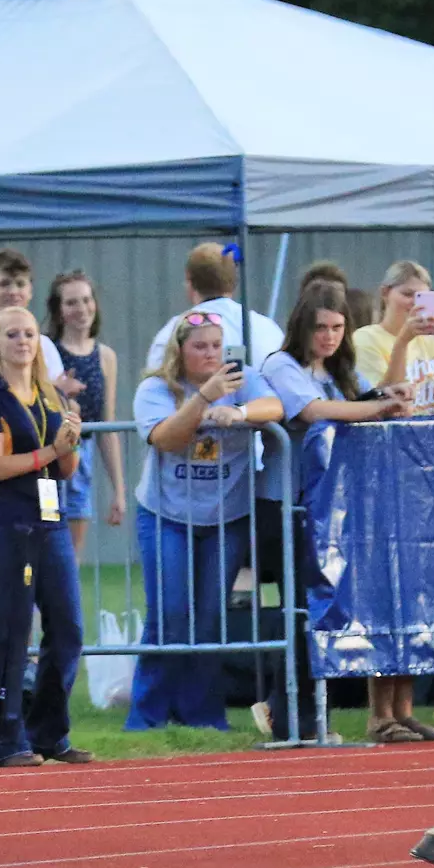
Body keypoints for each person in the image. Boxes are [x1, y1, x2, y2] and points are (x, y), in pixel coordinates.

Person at [256, 282, 424, 743]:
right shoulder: (281, 364)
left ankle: (300, 713)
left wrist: (392, 393)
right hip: (288, 505)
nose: (329, 336)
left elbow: (372, 399)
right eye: (320, 327)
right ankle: (290, 712)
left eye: (337, 327)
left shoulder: (338, 372)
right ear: (302, 327)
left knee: (319, 611)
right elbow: (313, 412)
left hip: (332, 512)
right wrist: (376, 406)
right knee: (302, 609)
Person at [126, 312, 284, 731]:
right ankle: (148, 714)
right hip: (166, 515)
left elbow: (277, 407)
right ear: (181, 351)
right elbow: (166, 438)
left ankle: (202, 714)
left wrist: (242, 410)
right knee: (171, 613)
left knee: (211, 616)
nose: (210, 353)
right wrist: (204, 401)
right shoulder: (156, 387)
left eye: (216, 345)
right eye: (200, 346)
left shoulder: (240, 377)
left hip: (227, 517)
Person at [0, 307, 91, 767]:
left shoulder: (50, 395)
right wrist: (50, 450)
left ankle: (48, 732)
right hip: (4, 522)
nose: (22, 341)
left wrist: (69, 443)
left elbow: (66, 468)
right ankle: (2, 739)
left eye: (30, 333)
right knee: (10, 631)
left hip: (49, 519)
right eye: (11, 334)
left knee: (69, 627)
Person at [44, 271, 126, 557]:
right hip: (49, 456)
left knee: (72, 551)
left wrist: (118, 490)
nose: (81, 309)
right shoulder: (46, 350)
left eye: (86, 300)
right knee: (45, 543)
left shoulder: (106, 356)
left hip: (83, 455)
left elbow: (107, 424)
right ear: (59, 311)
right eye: (71, 303)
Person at [352, 260, 434, 417]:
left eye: (423, 297)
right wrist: (403, 341)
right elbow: (383, 402)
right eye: (407, 294)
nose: (415, 303)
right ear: (385, 293)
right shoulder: (365, 339)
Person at [145, 242, 285, 371]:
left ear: (189, 281)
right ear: (233, 282)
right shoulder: (268, 328)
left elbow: (156, 383)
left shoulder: (174, 332)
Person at [0, 250, 70, 388]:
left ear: (30, 292)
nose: (13, 292)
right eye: (4, 284)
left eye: (20, 284)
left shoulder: (45, 346)